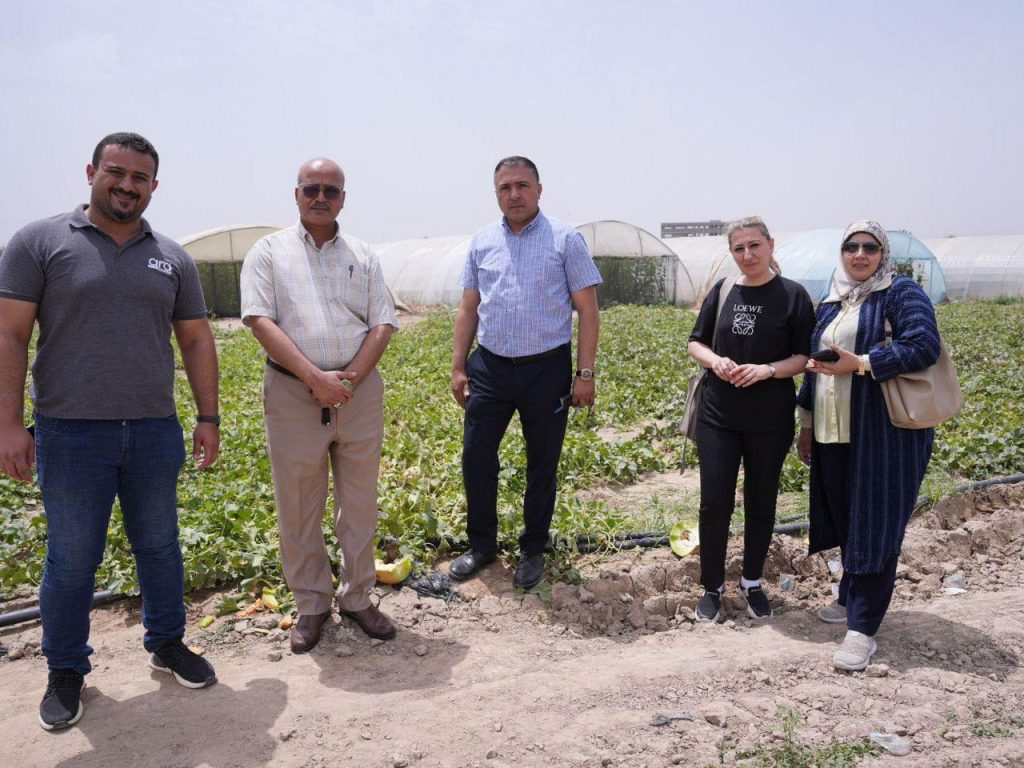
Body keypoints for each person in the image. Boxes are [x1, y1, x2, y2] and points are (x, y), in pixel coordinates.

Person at [0, 132, 220, 731]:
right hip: (70, 433)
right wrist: (9, 424)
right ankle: (66, 668)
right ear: (92, 171)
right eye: (116, 173)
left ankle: (168, 642)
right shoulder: (40, 241)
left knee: (160, 546)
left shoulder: (170, 255)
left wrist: (207, 417)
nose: (127, 186)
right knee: (71, 559)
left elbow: (197, 338)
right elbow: (10, 335)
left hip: (153, 429)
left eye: (140, 178)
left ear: (154, 186)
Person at [240, 158, 399, 654]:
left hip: (357, 392)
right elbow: (260, 321)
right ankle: (311, 604)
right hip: (293, 394)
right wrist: (314, 378)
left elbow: (382, 323)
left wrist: (349, 379)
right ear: (297, 194)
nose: (321, 196)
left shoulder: (364, 255)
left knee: (359, 503)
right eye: (312, 188)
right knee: (299, 503)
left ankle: (357, 598)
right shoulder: (268, 253)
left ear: (343, 199)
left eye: (331, 189)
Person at [448, 156, 601, 590]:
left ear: (539, 189)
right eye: (504, 187)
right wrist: (458, 366)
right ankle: (482, 546)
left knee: (542, 464)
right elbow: (468, 308)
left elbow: (588, 311)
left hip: (546, 370)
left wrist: (584, 373)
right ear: (495, 193)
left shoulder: (565, 240)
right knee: (477, 457)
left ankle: (533, 548)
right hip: (491, 367)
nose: (513, 194)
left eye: (521, 185)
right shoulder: (481, 242)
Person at [796, 220, 941, 671]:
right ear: (841, 253)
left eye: (870, 247)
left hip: (883, 433)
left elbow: (924, 347)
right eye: (851, 247)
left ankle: (862, 629)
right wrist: (805, 423)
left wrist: (860, 363)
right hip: (833, 428)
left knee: (875, 522)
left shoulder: (900, 294)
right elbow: (815, 364)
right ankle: (847, 596)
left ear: (883, 253)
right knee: (843, 514)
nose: (860, 254)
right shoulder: (832, 302)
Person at [687, 216, 815, 622]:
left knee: (762, 500)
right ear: (732, 252)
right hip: (717, 416)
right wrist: (716, 360)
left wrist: (767, 370)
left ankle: (752, 582)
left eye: (755, 246)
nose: (748, 255)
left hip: (771, 417)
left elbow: (803, 357)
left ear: (771, 245)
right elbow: (696, 342)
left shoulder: (793, 296)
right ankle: (711, 587)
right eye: (739, 248)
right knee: (714, 503)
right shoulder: (723, 291)